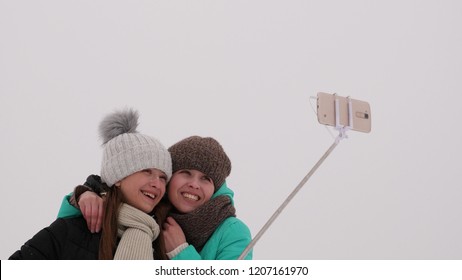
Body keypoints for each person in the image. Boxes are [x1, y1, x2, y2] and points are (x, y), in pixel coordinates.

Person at [9, 108, 172, 259]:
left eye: (163, 177)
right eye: (147, 171)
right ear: (118, 177)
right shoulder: (71, 231)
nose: (157, 184)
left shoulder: (164, 242)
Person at [58, 136, 253, 260]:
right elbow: (117, 191)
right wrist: (82, 196)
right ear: (169, 178)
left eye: (206, 179)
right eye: (185, 172)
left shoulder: (232, 232)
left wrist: (181, 253)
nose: (194, 184)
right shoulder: (149, 212)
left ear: (215, 188)